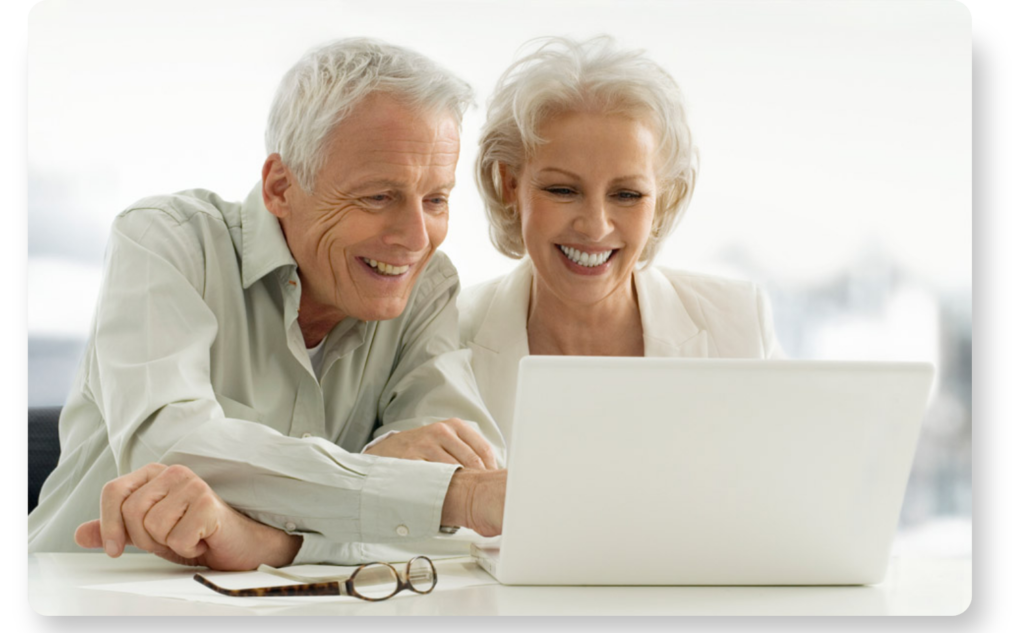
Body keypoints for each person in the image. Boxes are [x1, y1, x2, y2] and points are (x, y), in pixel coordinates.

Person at [27, 38, 508, 570]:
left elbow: (451, 530)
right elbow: (172, 448)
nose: (416, 237)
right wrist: (419, 490)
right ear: (281, 186)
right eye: (378, 196)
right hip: (86, 588)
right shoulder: (166, 242)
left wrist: (275, 544)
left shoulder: (427, 286)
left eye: (436, 199)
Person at [461, 36, 785, 446]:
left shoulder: (738, 326)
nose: (595, 227)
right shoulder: (446, 339)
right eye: (562, 190)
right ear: (510, 184)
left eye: (627, 195)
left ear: (663, 198)